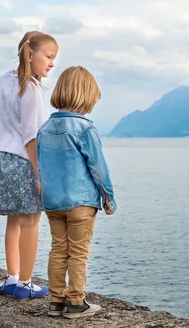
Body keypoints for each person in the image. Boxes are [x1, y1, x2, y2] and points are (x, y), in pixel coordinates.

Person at [36, 66, 117, 318]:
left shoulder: (44, 129)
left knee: (58, 249)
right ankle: (75, 302)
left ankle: (55, 301)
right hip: (81, 202)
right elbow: (98, 167)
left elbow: (40, 165)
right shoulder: (85, 128)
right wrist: (108, 197)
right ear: (86, 96)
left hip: (53, 202)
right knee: (79, 252)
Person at [0, 31, 58, 299]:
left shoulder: (2, 82)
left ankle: (12, 278)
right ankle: (26, 283)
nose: (51, 63)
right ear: (30, 54)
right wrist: (41, 173)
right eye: (48, 57)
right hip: (24, 158)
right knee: (31, 222)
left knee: (13, 221)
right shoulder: (30, 88)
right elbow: (31, 134)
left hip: (0, 156)